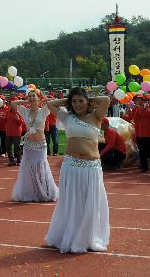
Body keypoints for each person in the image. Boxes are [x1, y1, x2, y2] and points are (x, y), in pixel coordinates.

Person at [45, 87, 111, 254]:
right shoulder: (67, 117)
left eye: (81, 101)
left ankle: (87, 238)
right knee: (71, 203)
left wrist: (88, 97)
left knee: (90, 203)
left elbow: (106, 100)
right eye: (74, 101)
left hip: (91, 168)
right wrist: (67, 100)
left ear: (87, 101)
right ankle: (71, 235)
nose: (78, 104)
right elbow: (49, 104)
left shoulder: (96, 116)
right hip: (71, 166)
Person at [10, 91, 58, 202]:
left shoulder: (44, 111)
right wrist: (26, 101)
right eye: (29, 96)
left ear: (38, 98)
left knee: (41, 168)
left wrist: (43, 100)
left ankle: (44, 191)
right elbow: (13, 103)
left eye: (33, 96)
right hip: (28, 145)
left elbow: (54, 101)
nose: (31, 98)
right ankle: (31, 192)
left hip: (41, 144)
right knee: (29, 168)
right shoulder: (24, 111)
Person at [131, 95, 150, 173]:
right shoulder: (139, 109)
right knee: (143, 152)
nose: (146, 102)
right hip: (142, 134)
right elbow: (135, 117)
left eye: (148, 101)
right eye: (145, 101)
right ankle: (144, 166)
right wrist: (138, 109)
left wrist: (146, 110)